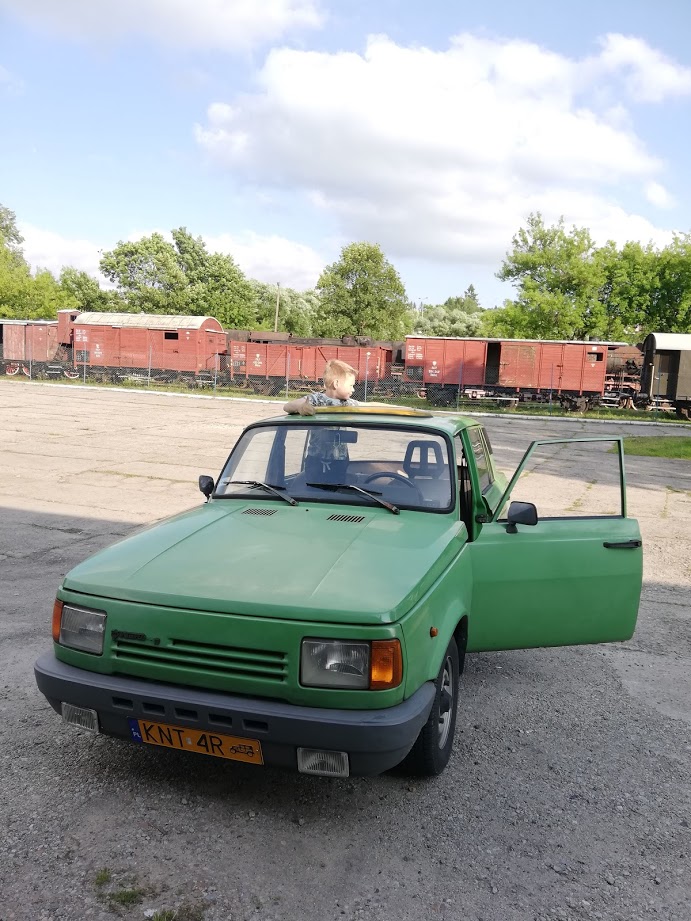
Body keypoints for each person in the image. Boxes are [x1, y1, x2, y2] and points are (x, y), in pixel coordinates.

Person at [283, 359, 359, 415]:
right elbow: (287, 406)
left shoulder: (349, 403)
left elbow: (365, 406)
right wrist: (301, 406)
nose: (353, 390)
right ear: (336, 384)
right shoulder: (316, 399)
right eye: (351, 385)